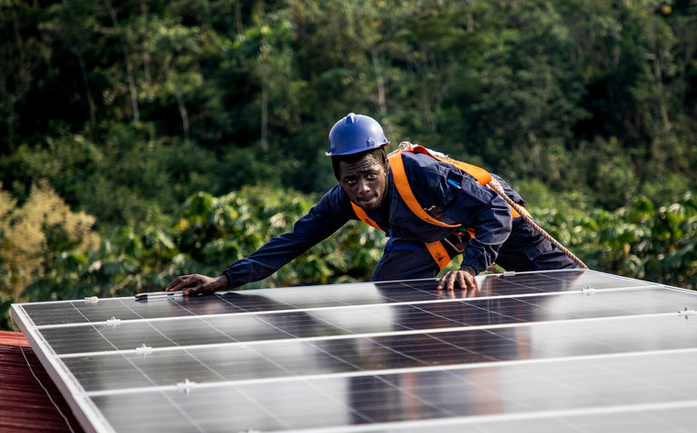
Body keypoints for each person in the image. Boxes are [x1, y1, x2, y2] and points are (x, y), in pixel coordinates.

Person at [166, 113, 581, 296]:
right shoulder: (342, 200)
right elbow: (294, 240)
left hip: (492, 221)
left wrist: (471, 267)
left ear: (384, 162)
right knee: (389, 287)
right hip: (432, 236)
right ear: (338, 179)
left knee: (571, 286)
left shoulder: (423, 173)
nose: (363, 188)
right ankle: (447, 340)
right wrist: (226, 279)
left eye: (370, 175)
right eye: (351, 180)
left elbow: (491, 212)